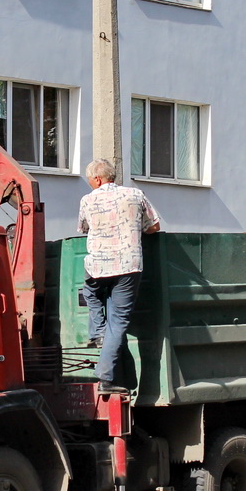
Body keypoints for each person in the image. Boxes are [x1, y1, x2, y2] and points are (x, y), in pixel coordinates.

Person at [77, 158, 161, 393]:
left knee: (90, 292)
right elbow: (154, 226)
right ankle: (105, 375)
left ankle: (98, 333)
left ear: (97, 179)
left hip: (98, 265)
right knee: (119, 321)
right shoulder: (135, 194)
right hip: (128, 265)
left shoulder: (87, 199)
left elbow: (83, 228)